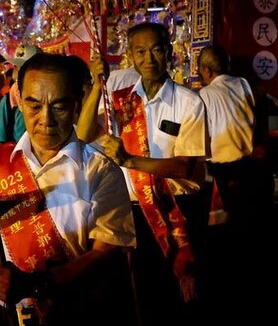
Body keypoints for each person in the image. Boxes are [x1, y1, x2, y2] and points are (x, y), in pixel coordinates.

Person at [0, 53, 136, 325]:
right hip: (5, 314)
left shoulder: (101, 170)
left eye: (58, 106)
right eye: (34, 106)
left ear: (76, 104)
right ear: (19, 101)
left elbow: (105, 253)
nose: (46, 119)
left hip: (73, 311)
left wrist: (36, 283)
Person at [85, 22, 207, 324]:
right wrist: (94, 81)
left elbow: (184, 166)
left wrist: (130, 160)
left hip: (176, 209)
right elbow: (86, 130)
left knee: (179, 296)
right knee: (140, 294)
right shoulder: (122, 100)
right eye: (140, 51)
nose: (149, 58)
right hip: (134, 211)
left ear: (168, 52)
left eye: (155, 49)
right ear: (130, 55)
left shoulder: (189, 101)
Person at [197, 45, 272, 223]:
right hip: (251, 164)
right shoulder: (244, 84)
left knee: (228, 223)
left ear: (206, 70)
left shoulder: (205, 94)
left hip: (224, 169)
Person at [0, 44, 41, 146]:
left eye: (23, 66)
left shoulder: (50, 96)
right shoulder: (8, 101)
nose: (17, 71)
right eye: (15, 66)